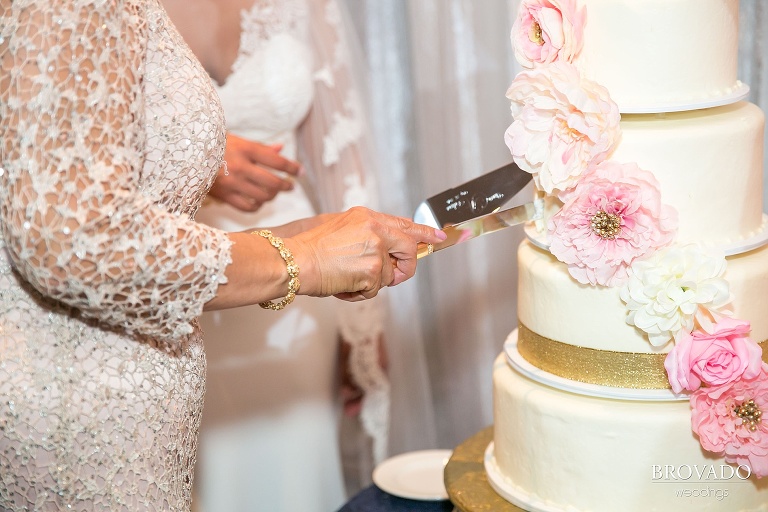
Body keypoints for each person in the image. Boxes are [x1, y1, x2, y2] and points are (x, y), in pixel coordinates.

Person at [0, 1, 446, 510]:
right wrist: (299, 257)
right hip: (93, 396)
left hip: (190, 345)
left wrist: (337, 281)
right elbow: (72, 236)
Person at [159, 0, 391, 510]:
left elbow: (340, 159)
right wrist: (196, 159)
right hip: (165, 283)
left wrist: (363, 324)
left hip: (303, 287)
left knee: (292, 475)